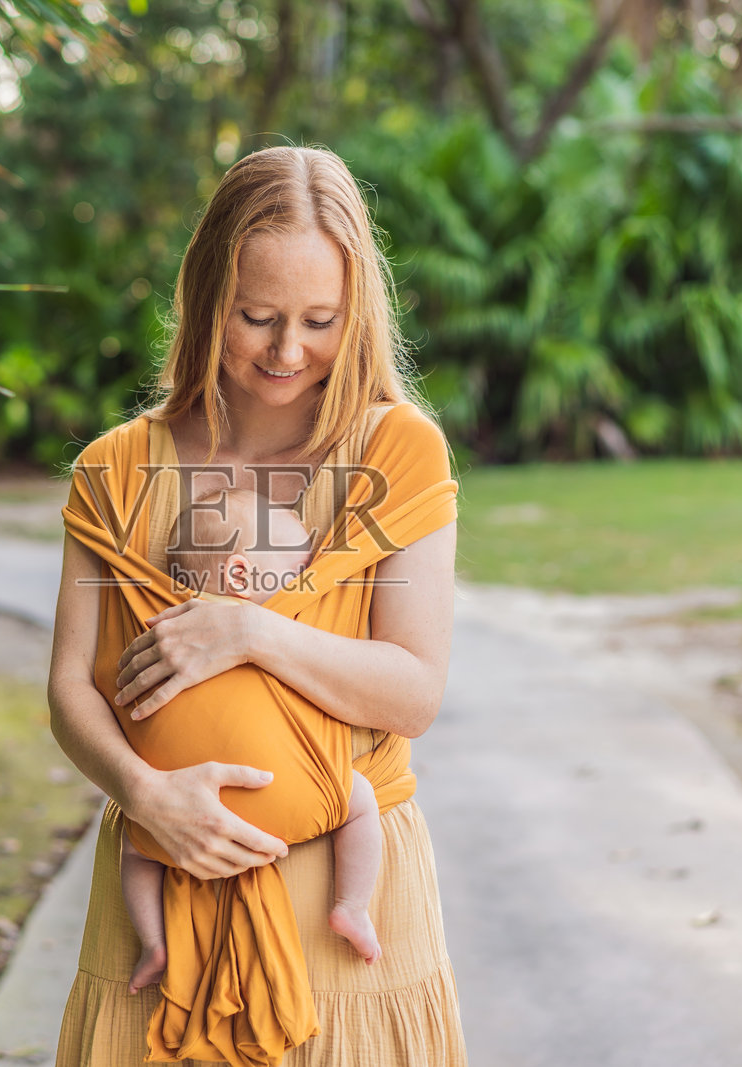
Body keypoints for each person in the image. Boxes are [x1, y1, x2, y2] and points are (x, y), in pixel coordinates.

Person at [48, 144, 467, 1066]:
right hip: (164, 877)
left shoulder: (396, 451)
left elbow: (412, 693)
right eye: (257, 317)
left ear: (358, 313)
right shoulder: (115, 469)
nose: (287, 351)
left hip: (344, 902)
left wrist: (248, 630)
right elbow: (71, 687)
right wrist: (147, 797)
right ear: (207, 300)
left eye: (320, 320)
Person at [119, 486, 386, 998]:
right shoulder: (285, 634)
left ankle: (153, 943)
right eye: (300, 569)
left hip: (176, 807)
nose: (308, 582)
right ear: (241, 576)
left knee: (133, 846)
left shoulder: (163, 636)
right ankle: (351, 907)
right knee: (360, 802)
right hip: (282, 792)